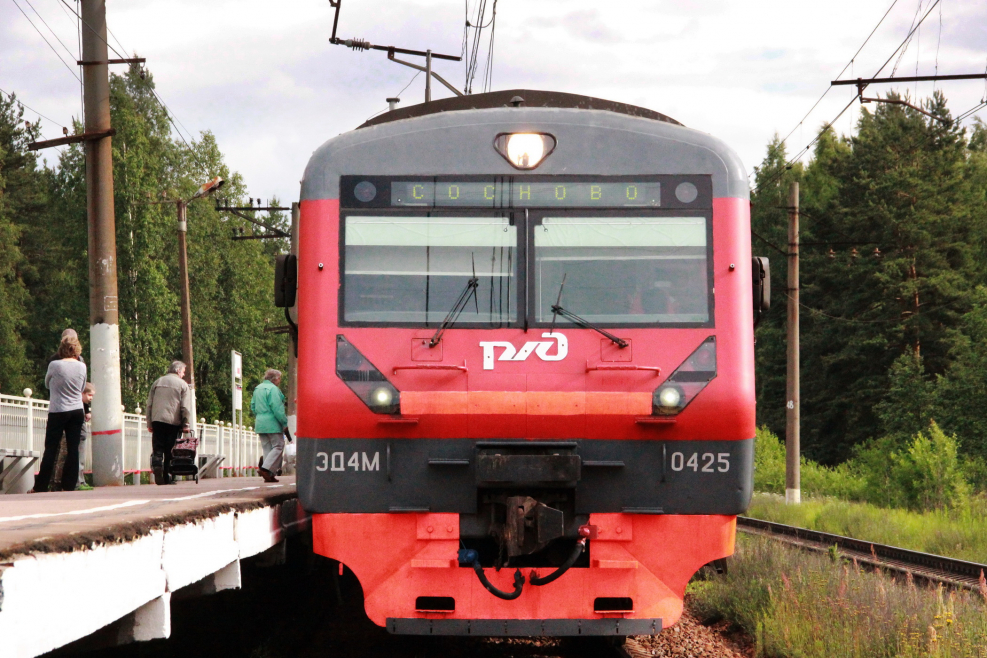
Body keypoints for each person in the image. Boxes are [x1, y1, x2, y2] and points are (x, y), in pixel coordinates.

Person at [31, 335, 88, 492]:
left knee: (51, 448)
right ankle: (69, 485)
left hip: (58, 410)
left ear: (61, 349)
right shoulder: (82, 366)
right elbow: (82, 386)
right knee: (73, 448)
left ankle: (41, 486)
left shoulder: (55, 365)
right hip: (77, 411)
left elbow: (47, 384)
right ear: (77, 349)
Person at [145, 361, 193, 485]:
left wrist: (149, 422)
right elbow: (185, 407)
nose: (183, 375)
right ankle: (166, 477)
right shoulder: (183, 385)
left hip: (157, 420)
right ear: (178, 371)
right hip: (173, 421)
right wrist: (186, 424)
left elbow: (149, 404)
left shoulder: (157, 382)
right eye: (183, 372)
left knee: (158, 446)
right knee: (170, 450)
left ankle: (157, 465)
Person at [251, 369, 288, 483]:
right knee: (278, 446)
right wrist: (284, 422)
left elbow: (253, 406)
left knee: (267, 448)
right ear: (275, 379)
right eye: (279, 378)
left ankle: (269, 475)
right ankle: (265, 469)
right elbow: (277, 408)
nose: (279, 381)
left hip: (260, 422)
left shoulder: (258, 388)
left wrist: (260, 416)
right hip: (272, 422)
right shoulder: (273, 389)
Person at [77, 382, 95, 489]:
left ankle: (81, 481)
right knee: (80, 455)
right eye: (89, 395)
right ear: (82, 393)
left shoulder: (84, 405)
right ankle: (79, 482)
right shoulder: (79, 404)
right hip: (79, 430)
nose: (91, 398)